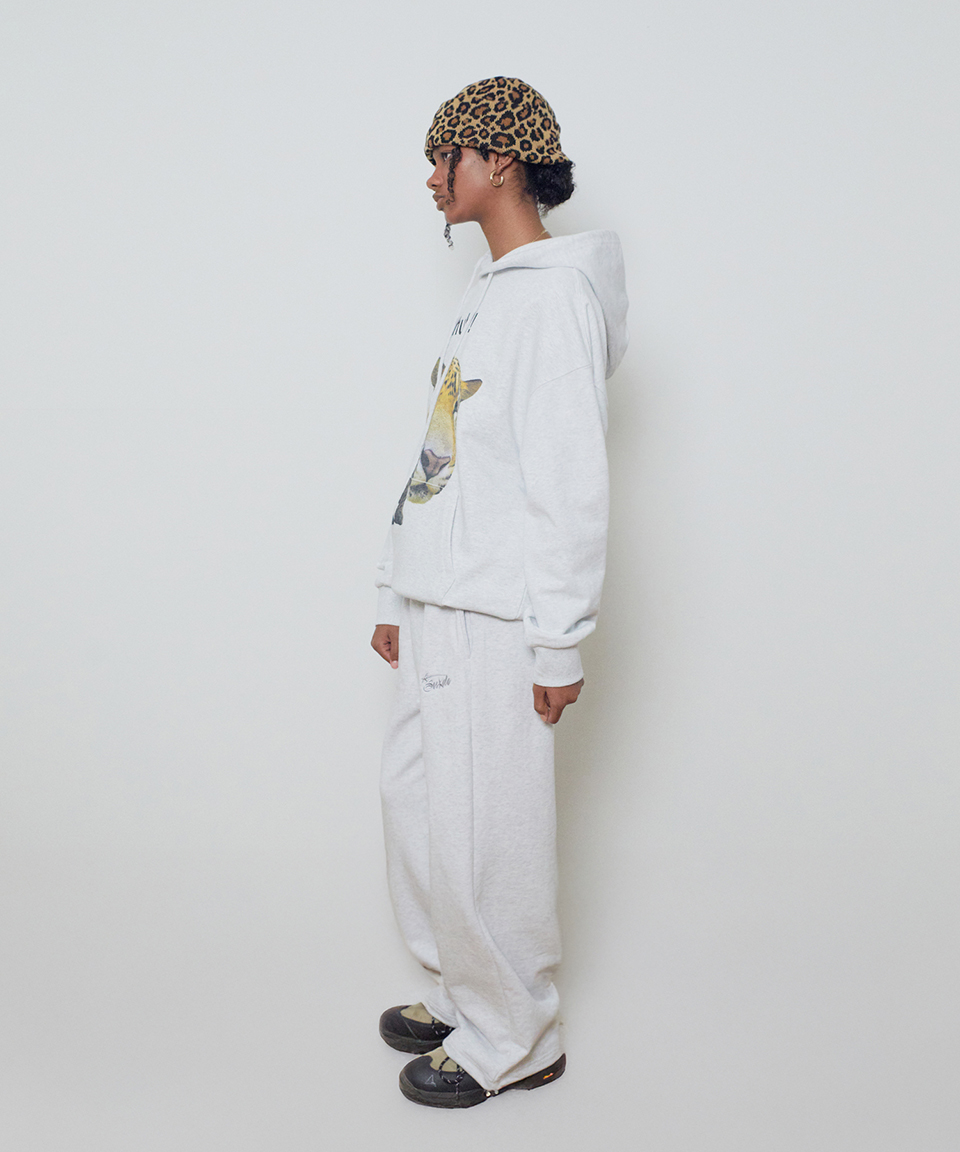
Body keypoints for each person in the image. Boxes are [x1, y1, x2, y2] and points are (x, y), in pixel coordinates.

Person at [370, 76, 628, 1108]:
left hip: (499, 609)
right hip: (442, 593)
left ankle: (517, 1034)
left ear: (500, 160)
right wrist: (396, 583)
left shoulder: (554, 298)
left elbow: (570, 480)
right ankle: (466, 988)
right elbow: (441, 451)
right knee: (418, 802)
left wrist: (558, 639)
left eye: (448, 158)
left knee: (492, 829)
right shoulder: (491, 291)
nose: (434, 179)